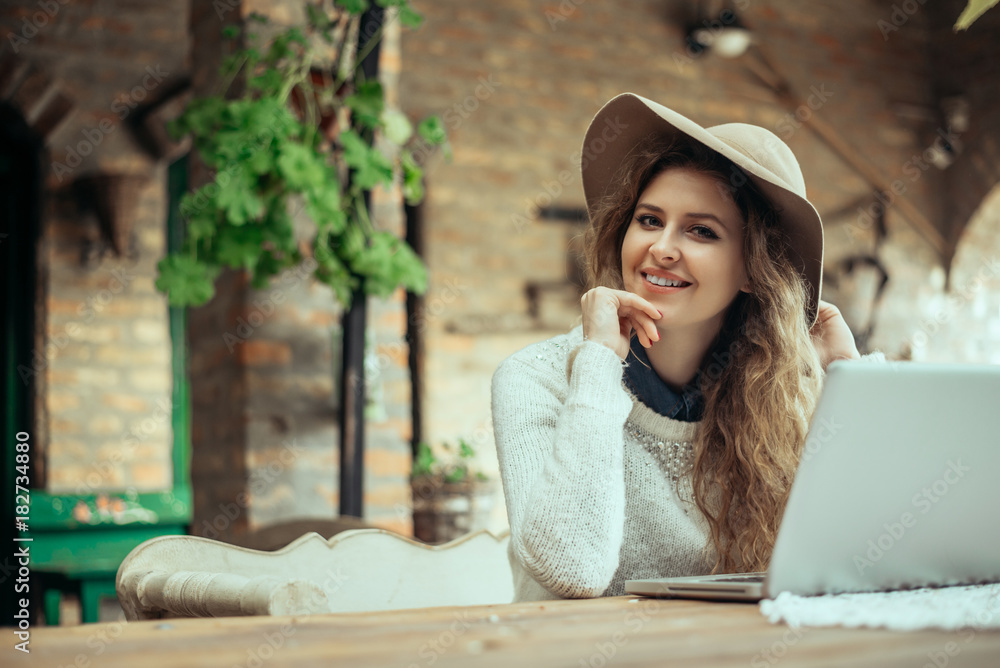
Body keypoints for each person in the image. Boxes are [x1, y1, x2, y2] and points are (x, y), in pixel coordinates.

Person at [491, 93, 867, 602]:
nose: (662, 248)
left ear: (756, 271)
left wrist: (847, 383)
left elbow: (867, 560)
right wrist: (599, 363)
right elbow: (571, 568)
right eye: (649, 220)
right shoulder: (536, 378)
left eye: (700, 231)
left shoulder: (782, 398)